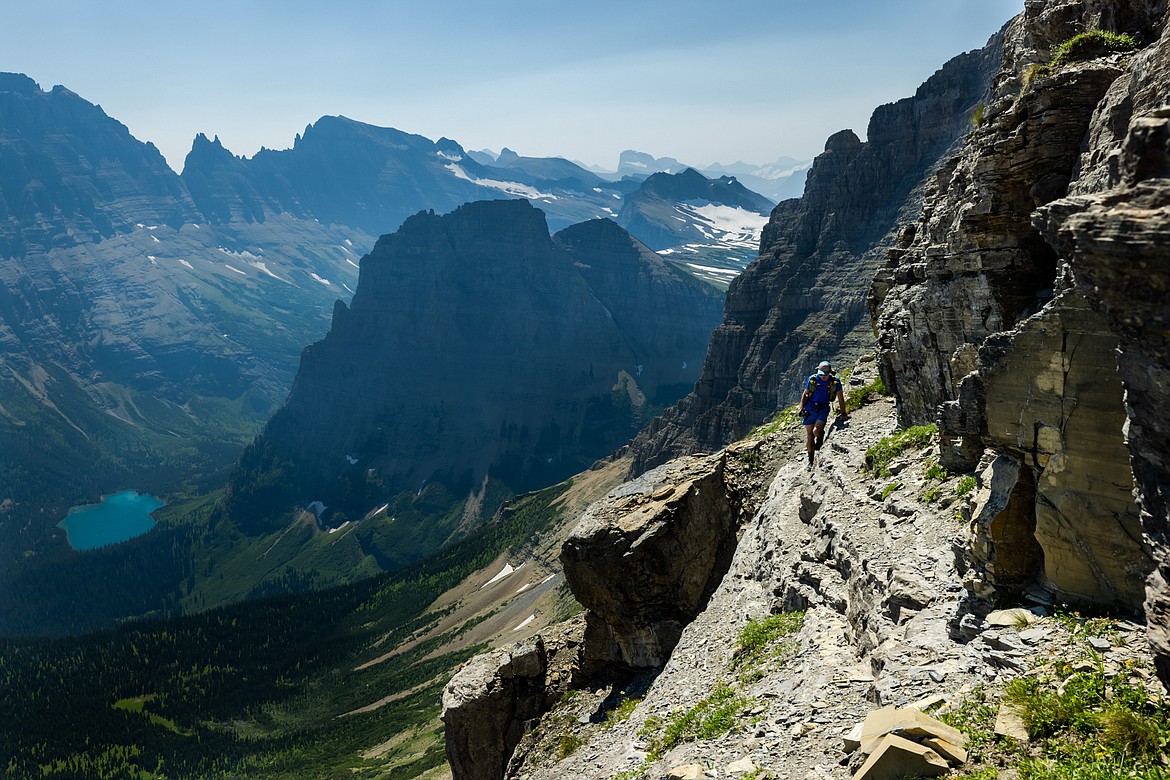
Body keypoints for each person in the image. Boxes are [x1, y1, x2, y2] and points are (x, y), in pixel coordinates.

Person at [799, 360, 847, 465]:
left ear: (830, 372)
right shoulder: (812, 379)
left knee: (816, 431)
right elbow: (806, 393)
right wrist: (801, 407)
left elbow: (840, 398)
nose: (823, 377)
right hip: (810, 408)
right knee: (809, 435)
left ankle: (820, 436)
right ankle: (810, 459)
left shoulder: (835, 382)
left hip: (823, 409)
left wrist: (843, 413)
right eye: (822, 375)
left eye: (825, 375)